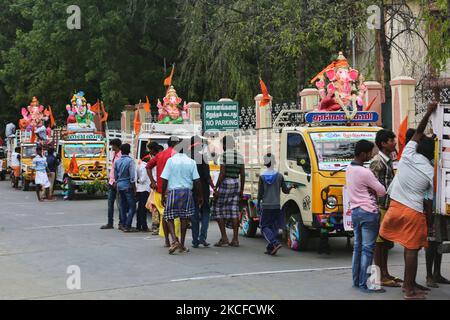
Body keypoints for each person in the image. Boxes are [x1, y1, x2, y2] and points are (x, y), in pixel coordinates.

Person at [379, 102, 437, 300]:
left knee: (408, 249)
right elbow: (429, 201)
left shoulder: (407, 155)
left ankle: (410, 284)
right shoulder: (432, 172)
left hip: (394, 207)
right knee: (412, 251)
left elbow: (418, 131)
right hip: (413, 211)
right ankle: (408, 290)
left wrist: (429, 112)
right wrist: (429, 222)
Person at [346, 139, 386, 293]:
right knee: (368, 250)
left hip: (356, 211)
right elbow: (382, 190)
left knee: (358, 248)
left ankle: (357, 281)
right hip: (369, 212)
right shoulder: (364, 172)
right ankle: (365, 283)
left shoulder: (349, 168)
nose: (371, 155)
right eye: (369, 153)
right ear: (363, 154)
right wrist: (372, 190)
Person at [370, 129, 402, 288]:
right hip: (380, 206)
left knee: (385, 242)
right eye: (391, 140)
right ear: (383, 144)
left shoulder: (388, 160)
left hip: (387, 205)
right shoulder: (378, 161)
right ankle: (380, 276)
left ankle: (385, 273)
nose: (394, 142)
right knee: (379, 243)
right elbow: (372, 185)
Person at [161, 138, 203, 254]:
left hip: (173, 191)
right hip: (187, 191)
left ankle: (174, 240)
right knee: (184, 218)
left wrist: (162, 195)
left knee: (169, 217)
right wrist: (200, 196)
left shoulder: (170, 161)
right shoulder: (191, 162)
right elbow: (197, 180)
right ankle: (182, 245)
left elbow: (164, 179)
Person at [257, 153, 294, 256]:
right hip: (277, 205)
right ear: (273, 162)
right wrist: (291, 186)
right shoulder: (279, 176)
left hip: (266, 205)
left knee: (264, 226)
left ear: (265, 163)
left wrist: (258, 205)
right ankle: (271, 248)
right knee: (273, 227)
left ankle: (275, 243)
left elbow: (260, 193)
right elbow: (286, 191)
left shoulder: (262, 177)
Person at [146, 136, 180, 247]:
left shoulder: (160, 155)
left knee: (165, 216)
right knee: (177, 217)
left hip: (161, 189)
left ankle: (167, 240)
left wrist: (153, 181)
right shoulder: (176, 155)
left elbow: (148, 166)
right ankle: (176, 240)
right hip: (175, 189)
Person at [212, 135, 245, 247]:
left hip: (226, 182)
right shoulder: (239, 156)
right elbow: (243, 174)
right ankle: (235, 239)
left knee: (217, 209)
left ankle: (224, 237)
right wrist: (241, 190)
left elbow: (222, 173)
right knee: (234, 210)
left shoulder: (224, 156)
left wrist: (216, 187)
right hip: (236, 183)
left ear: (226, 145)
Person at [189, 135, 215, 248]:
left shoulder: (187, 158)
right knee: (205, 213)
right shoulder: (203, 158)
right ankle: (202, 238)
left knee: (194, 215)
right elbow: (207, 176)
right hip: (203, 190)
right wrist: (214, 188)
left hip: (191, 189)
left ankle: (195, 241)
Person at [101, 139, 123, 230]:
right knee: (110, 204)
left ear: (116, 146)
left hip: (117, 183)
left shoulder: (121, 156)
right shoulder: (114, 155)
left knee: (120, 204)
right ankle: (110, 222)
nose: (111, 147)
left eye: (112, 145)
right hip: (111, 182)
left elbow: (121, 171)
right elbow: (113, 169)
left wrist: (116, 181)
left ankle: (121, 223)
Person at [115, 143, 137, 233]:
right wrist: (134, 188)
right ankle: (128, 225)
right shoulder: (130, 161)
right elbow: (132, 176)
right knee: (132, 206)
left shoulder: (117, 161)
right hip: (127, 185)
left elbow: (116, 176)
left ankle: (123, 224)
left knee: (123, 206)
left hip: (120, 185)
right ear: (129, 151)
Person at [145, 143, 163, 235]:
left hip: (158, 186)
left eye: (150, 150)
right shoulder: (153, 160)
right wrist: (152, 182)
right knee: (155, 206)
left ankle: (159, 226)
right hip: (155, 186)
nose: (149, 152)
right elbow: (148, 168)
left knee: (158, 207)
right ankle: (156, 226)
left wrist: (153, 182)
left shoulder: (157, 158)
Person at [136, 157, 151, 232]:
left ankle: (138, 225)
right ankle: (144, 226)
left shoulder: (139, 165)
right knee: (143, 209)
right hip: (144, 189)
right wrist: (139, 181)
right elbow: (143, 179)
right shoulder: (145, 166)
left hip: (140, 189)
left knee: (140, 209)